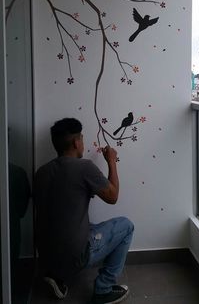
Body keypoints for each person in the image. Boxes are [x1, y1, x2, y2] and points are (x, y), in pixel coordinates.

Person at [33, 118, 134, 304]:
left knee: (82, 227)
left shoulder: (41, 172)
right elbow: (113, 197)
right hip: (75, 256)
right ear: (76, 142)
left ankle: (56, 276)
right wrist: (112, 161)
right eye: (82, 138)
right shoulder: (84, 167)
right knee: (126, 226)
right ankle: (103, 289)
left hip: (45, 256)